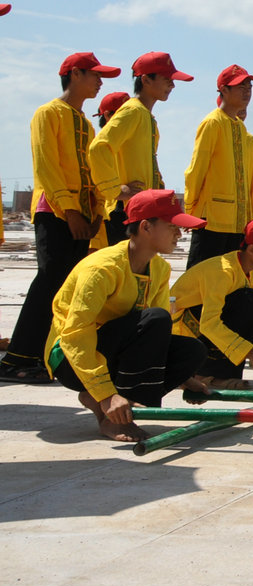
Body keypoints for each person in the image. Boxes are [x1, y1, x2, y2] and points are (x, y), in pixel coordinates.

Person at [44, 189, 210, 442]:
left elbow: (155, 336)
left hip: (114, 350)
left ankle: (116, 403)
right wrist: (105, 393)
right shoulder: (102, 269)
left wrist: (183, 377)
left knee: (191, 351)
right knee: (156, 319)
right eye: (172, 226)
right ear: (145, 227)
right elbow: (76, 335)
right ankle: (108, 412)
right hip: (71, 358)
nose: (180, 233)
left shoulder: (159, 268)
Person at [0, 52, 121, 382]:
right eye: (95, 75)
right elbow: (47, 167)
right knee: (48, 281)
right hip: (54, 212)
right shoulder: (48, 113)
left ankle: (43, 356)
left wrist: (95, 211)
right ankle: (17, 358)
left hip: (81, 215)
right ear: (75, 74)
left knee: (66, 288)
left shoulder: (83, 122)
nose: (99, 82)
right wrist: (69, 210)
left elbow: (92, 172)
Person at [171, 217, 253, 387]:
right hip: (182, 333)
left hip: (200, 327)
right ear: (252, 250)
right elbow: (209, 324)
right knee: (248, 301)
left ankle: (213, 373)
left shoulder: (246, 268)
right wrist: (251, 352)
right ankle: (209, 375)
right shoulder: (223, 272)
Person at [89, 52, 191, 250]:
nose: (172, 85)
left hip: (141, 210)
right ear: (145, 79)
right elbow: (99, 146)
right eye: (167, 79)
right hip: (126, 210)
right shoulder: (132, 111)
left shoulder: (145, 115)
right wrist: (114, 189)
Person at [183, 64, 253, 268]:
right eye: (240, 86)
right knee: (200, 281)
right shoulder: (213, 123)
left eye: (249, 87)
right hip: (211, 221)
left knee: (228, 284)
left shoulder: (244, 133)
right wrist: (190, 211)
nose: (247, 91)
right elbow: (196, 170)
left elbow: (252, 184)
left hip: (237, 223)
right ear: (223, 90)